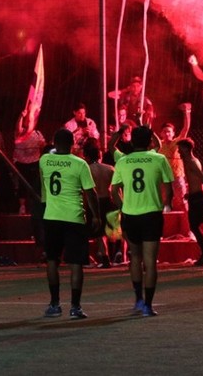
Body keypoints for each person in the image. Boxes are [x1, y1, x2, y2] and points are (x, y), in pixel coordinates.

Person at [111, 126, 173, 317]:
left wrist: (123, 207)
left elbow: (114, 190)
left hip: (130, 215)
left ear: (132, 141)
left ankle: (138, 300)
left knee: (135, 258)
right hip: (151, 215)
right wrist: (166, 204)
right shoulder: (159, 158)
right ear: (150, 142)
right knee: (150, 261)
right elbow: (169, 188)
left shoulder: (123, 161)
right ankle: (148, 305)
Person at [40, 128, 99, 320]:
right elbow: (90, 192)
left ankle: (54, 304)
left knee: (52, 261)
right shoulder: (80, 164)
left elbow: (44, 185)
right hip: (74, 217)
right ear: (73, 143)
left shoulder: (44, 160)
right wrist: (96, 216)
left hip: (52, 216)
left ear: (54, 142)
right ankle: (75, 307)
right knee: (76, 263)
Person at [178, 137, 203, 266]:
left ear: (186, 149)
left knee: (194, 227)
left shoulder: (191, 162)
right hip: (195, 196)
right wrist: (190, 192)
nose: (178, 152)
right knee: (194, 227)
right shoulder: (190, 161)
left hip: (198, 198)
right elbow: (196, 180)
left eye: (180, 149)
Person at [83, 139, 118, 267]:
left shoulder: (86, 170)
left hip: (94, 202)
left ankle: (105, 257)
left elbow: (85, 191)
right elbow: (117, 189)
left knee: (99, 234)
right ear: (99, 155)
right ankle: (116, 256)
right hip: (108, 200)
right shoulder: (110, 169)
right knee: (111, 232)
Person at [157, 103, 192, 212]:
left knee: (182, 199)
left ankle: (188, 220)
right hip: (164, 177)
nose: (167, 133)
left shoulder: (176, 142)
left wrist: (186, 112)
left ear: (173, 133)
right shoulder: (159, 144)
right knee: (164, 201)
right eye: (164, 131)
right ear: (161, 133)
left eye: (169, 131)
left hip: (177, 176)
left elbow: (186, 128)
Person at [13, 111, 46, 215]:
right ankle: (22, 206)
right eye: (27, 120)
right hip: (21, 162)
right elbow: (17, 128)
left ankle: (34, 206)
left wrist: (42, 145)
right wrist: (21, 116)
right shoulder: (21, 132)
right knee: (22, 185)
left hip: (34, 162)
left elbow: (43, 145)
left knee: (35, 185)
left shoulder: (37, 133)